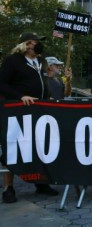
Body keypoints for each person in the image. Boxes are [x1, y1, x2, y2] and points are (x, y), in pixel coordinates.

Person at [0, 32, 59, 203]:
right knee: (13, 147)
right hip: (18, 111)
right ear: (26, 44)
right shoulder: (13, 61)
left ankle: (40, 183)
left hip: (38, 111)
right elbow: (2, 83)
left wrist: (47, 96)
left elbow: (42, 84)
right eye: (36, 42)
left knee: (38, 147)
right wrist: (20, 96)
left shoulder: (41, 61)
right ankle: (8, 187)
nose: (39, 44)